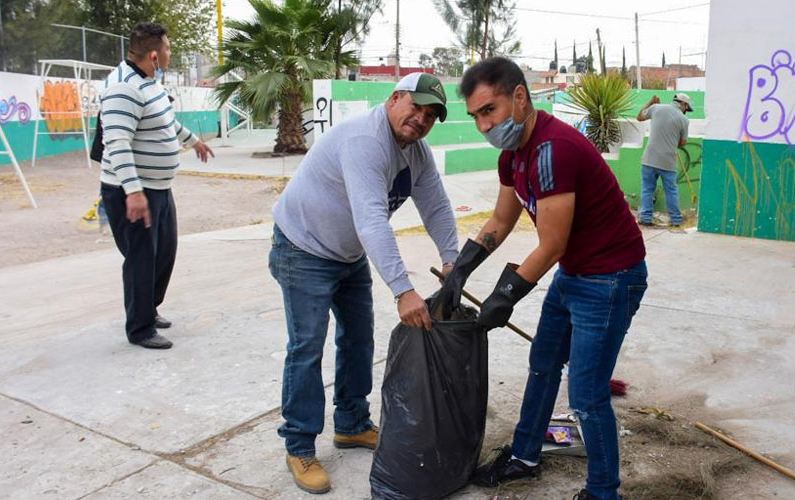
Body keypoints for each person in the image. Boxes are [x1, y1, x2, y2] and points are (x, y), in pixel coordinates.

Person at [444, 57, 648, 500]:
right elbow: (501, 218)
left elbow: (552, 244)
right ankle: (525, 455)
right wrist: (460, 270)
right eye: (476, 116)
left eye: (489, 111)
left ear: (519, 97)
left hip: (611, 278)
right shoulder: (513, 155)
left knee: (588, 396)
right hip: (576, 273)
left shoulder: (554, 150)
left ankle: (602, 491)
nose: (483, 125)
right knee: (543, 364)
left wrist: (506, 295)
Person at [269, 72, 460, 494]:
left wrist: (452, 262)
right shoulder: (365, 141)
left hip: (347, 254)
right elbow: (372, 219)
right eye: (416, 107)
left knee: (358, 339)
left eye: (430, 115)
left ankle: (351, 424)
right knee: (306, 347)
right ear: (395, 98)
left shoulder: (418, 153)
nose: (421, 119)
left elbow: (438, 207)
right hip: (303, 249)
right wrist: (402, 289)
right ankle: (299, 444)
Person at [99, 22, 214, 350]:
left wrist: (193, 142)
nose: (170, 54)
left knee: (164, 252)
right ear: (153, 54)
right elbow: (117, 142)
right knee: (140, 258)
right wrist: (133, 192)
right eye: (168, 49)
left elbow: (165, 120)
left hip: (158, 187)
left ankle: (148, 307)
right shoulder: (123, 88)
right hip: (133, 191)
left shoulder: (149, 81)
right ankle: (140, 327)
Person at [635, 92, 692, 228]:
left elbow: (639, 117)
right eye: (686, 108)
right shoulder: (684, 120)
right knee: (671, 191)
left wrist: (651, 102)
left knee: (647, 190)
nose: (686, 111)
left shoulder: (656, 108)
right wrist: (673, 141)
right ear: (683, 104)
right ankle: (676, 220)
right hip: (668, 161)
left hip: (649, 159)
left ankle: (646, 218)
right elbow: (683, 143)